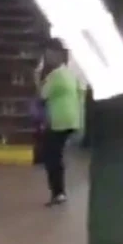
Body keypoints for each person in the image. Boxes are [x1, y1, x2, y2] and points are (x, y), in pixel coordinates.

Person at [36, 39, 81, 205]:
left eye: (49, 54)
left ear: (58, 55)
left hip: (58, 121)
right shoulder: (69, 73)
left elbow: (42, 95)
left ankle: (58, 192)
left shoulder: (54, 75)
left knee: (51, 157)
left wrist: (37, 77)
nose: (48, 57)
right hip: (71, 120)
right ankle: (59, 192)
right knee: (56, 155)